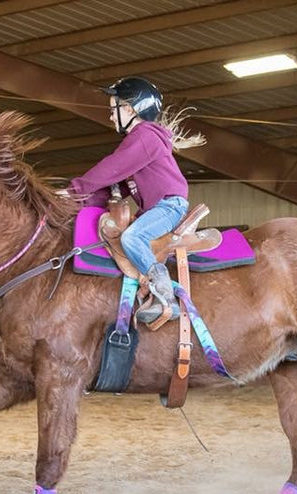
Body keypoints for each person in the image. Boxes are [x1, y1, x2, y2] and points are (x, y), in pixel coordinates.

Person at [67, 76, 204, 323]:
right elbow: (116, 186)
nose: (110, 116)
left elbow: (112, 168)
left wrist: (75, 189)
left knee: (132, 237)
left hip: (169, 205)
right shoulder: (141, 140)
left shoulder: (145, 136)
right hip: (160, 206)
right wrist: (77, 200)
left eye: (113, 110)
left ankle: (163, 289)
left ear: (130, 109)